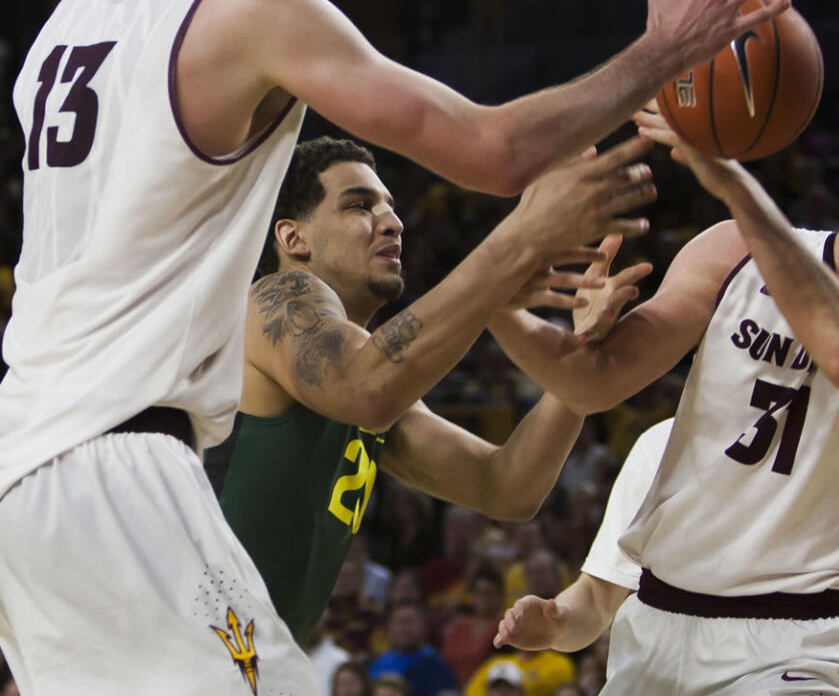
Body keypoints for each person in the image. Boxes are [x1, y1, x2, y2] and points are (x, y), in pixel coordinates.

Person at [0, 0, 790, 694]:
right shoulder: (253, 13)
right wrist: (662, 50)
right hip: (117, 481)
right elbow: (498, 152)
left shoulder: (74, 14)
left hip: (12, 486)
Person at [490, 85, 839, 692]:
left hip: (796, 643)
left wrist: (732, 183)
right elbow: (591, 384)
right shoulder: (729, 251)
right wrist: (496, 295)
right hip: (654, 629)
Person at [209, 135, 646, 642]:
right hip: (174, 651)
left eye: (391, 208)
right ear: (293, 239)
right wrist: (518, 241)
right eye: (359, 206)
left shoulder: (367, 378)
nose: (392, 222)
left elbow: (506, 487)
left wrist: (577, 358)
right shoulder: (272, 302)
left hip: (243, 658)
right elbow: (363, 385)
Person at [495, 419, 839, 696]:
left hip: (804, 674)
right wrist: (557, 622)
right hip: (659, 678)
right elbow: (594, 600)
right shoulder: (662, 443)